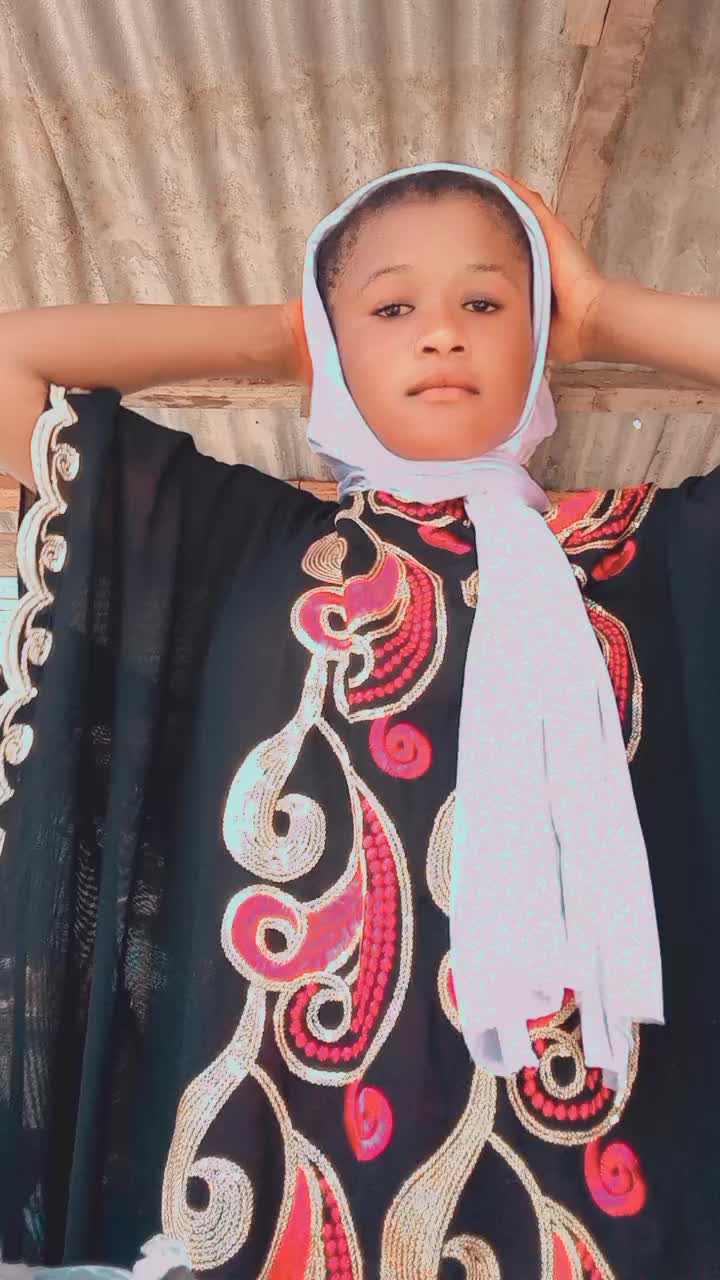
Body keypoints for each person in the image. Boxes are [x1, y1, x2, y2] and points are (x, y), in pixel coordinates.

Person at [0, 160, 719, 1280]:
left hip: (597, 1167)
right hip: (277, 1173)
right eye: (390, 308)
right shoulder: (240, 545)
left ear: (539, 340)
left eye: (486, 301)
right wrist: (281, 334)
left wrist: (602, 311)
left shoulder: (639, 555)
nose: (441, 332)